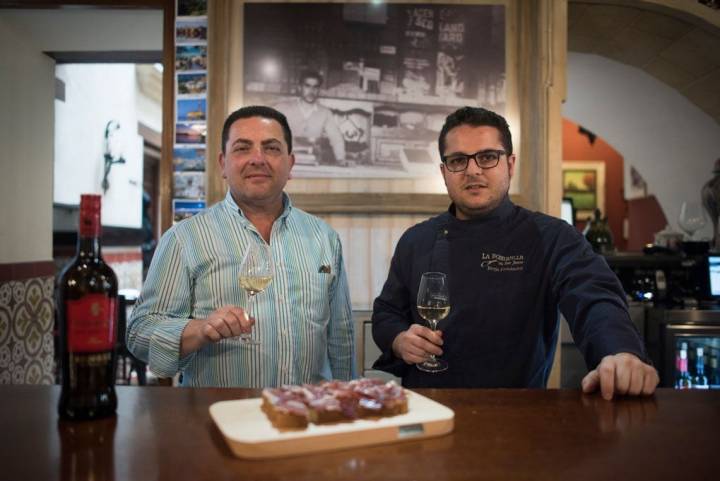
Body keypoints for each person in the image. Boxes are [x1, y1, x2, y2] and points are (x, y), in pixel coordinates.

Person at [372, 106, 659, 400]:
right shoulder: (416, 239)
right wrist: (398, 340)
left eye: (487, 157)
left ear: (509, 165)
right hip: (427, 408)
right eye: (458, 160)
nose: (473, 170)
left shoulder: (552, 237)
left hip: (516, 415)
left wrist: (619, 351)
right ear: (444, 172)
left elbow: (594, 297)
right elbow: (386, 313)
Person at [126, 106, 355, 387]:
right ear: (223, 163)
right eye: (243, 148)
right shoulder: (184, 238)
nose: (258, 159)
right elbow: (139, 334)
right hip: (218, 421)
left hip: (305, 419)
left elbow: (341, 337)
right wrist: (198, 330)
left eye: (271, 148)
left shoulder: (324, 238)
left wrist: (347, 405)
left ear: (290, 164)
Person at [274, 70, 346, 165]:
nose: (311, 91)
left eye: (315, 87)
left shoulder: (325, 113)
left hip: (313, 162)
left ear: (319, 90)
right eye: (307, 86)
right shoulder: (282, 108)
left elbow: (336, 138)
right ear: (299, 88)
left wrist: (340, 159)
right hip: (285, 162)